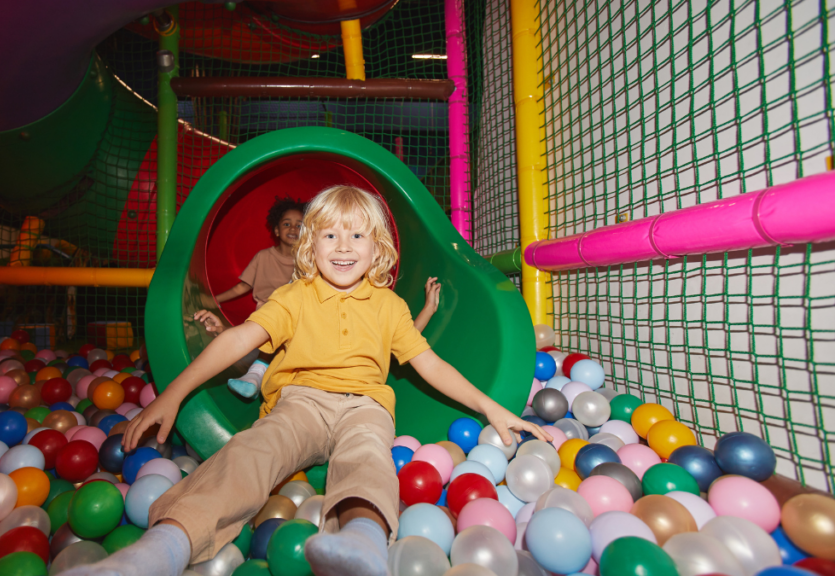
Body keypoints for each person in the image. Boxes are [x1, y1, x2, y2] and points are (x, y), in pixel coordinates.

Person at [64, 185, 549, 576]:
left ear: (378, 249)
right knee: (252, 452)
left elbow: (430, 364)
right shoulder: (296, 296)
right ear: (308, 245)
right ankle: (159, 551)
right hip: (298, 403)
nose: (343, 248)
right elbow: (240, 341)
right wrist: (173, 393)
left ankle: (360, 544)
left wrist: (492, 407)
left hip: (364, 404)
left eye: (357, 237)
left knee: (367, 455)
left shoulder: (389, 306)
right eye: (330, 236)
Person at [209, 197, 304, 398]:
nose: (293, 228)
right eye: (287, 224)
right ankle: (255, 375)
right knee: (269, 325)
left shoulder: (308, 261)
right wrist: (214, 299)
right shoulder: (263, 257)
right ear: (277, 230)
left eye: (299, 225)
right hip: (265, 316)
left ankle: (263, 377)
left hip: (296, 318)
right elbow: (243, 286)